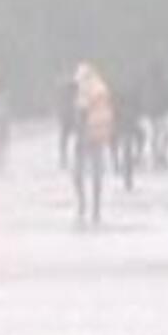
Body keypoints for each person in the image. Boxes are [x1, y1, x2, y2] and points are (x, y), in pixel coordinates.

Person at [72, 62, 113, 227]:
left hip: (86, 136)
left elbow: (81, 114)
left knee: (77, 173)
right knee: (97, 173)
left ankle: (82, 205)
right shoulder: (102, 89)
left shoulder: (85, 90)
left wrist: (79, 135)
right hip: (100, 135)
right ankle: (96, 208)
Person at [144, 60, 168, 169]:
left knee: (160, 134)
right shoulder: (157, 84)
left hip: (158, 112)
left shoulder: (155, 84)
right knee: (162, 134)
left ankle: (159, 154)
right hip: (157, 113)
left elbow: (166, 97)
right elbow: (166, 96)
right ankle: (159, 155)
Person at [56, 74, 80, 171]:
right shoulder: (75, 90)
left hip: (66, 118)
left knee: (64, 140)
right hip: (71, 117)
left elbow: (60, 105)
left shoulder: (63, 92)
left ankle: (64, 159)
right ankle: (71, 158)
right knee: (76, 138)